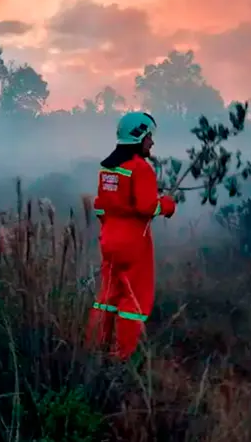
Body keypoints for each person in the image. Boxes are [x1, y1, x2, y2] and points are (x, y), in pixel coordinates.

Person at [88, 111, 176, 361]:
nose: (152, 142)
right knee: (134, 299)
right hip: (134, 243)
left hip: (108, 240)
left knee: (107, 296)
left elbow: (99, 206)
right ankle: (121, 357)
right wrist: (167, 205)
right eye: (149, 136)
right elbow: (147, 207)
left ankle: (95, 348)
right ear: (139, 136)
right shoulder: (140, 168)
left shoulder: (107, 169)